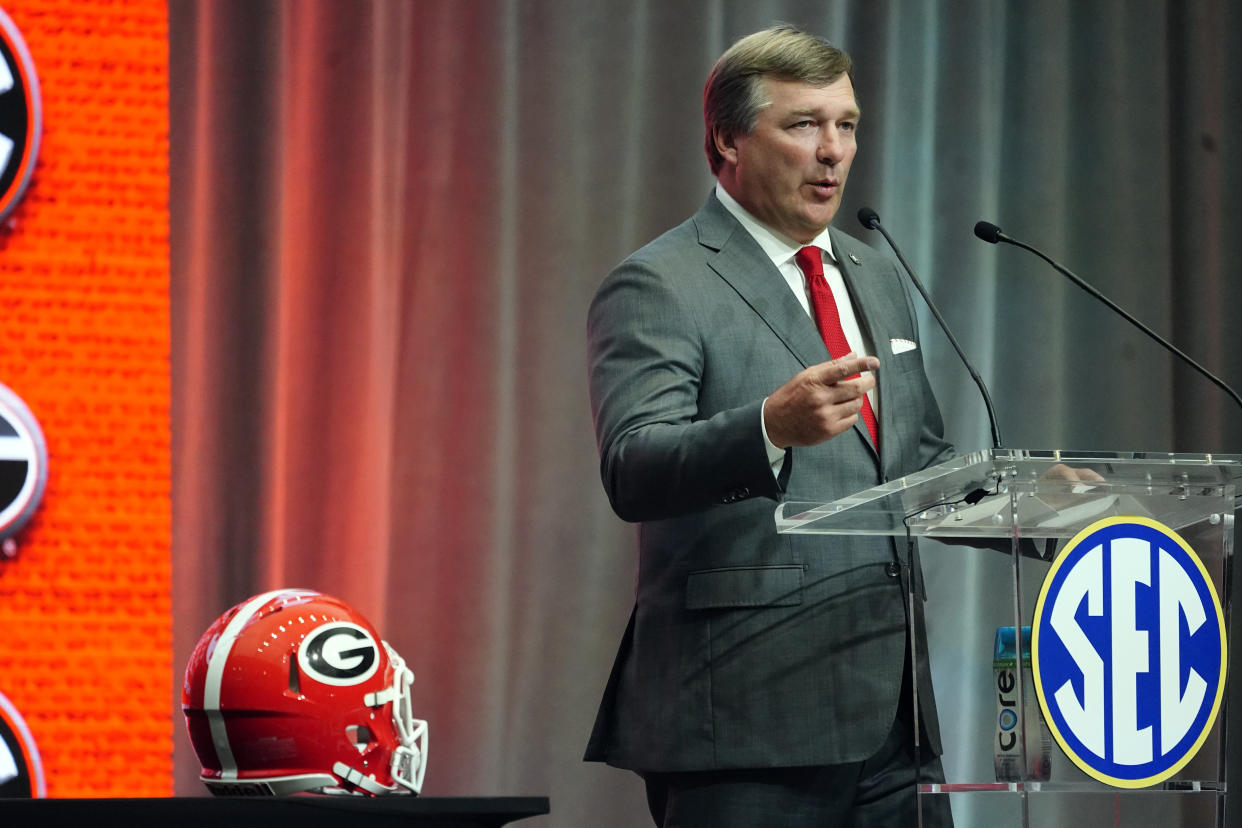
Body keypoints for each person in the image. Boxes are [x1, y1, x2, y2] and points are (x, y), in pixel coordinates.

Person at [584, 25, 956, 827]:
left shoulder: (876, 270)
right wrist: (767, 428)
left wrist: (1049, 513)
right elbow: (634, 465)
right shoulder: (661, 282)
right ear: (727, 139)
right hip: (746, 721)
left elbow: (919, 462)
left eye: (846, 124)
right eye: (803, 124)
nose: (832, 151)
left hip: (895, 722)